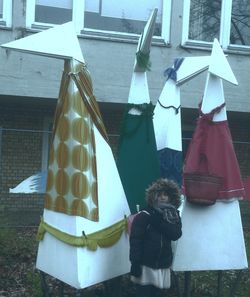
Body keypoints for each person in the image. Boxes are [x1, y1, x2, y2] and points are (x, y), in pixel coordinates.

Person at [129, 178, 182, 297]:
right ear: (154, 196)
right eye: (160, 194)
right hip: (145, 265)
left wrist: (160, 222)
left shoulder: (174, 215)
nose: (163, 197)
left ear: (171, 197)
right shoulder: (145, 215)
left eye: (166, 194)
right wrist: (135, 262)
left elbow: (176, 234)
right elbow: (135, 240)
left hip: (162, 265)